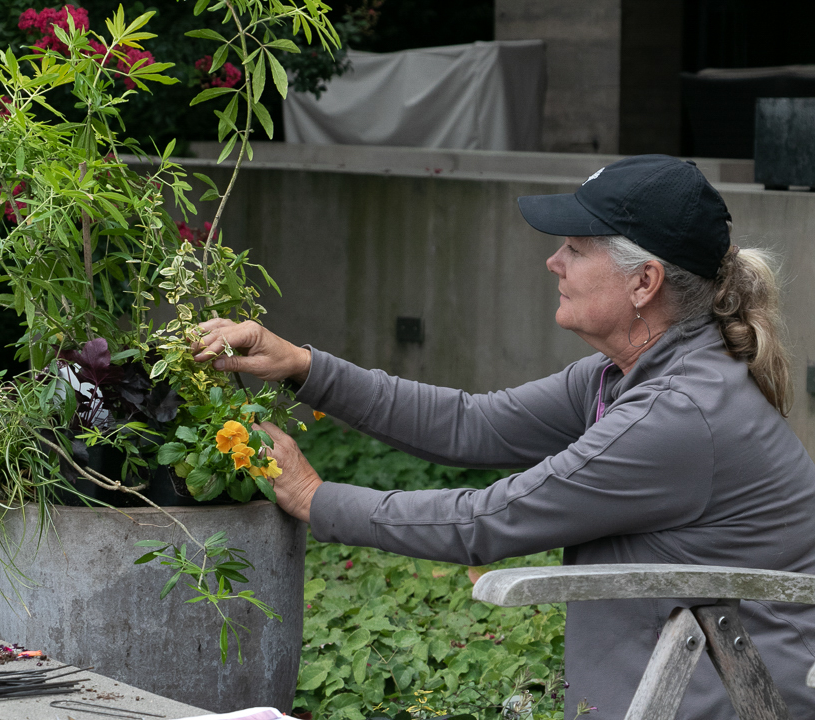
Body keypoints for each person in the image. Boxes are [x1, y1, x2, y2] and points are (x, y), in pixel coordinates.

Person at [191, 155, 815, 719]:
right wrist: (303, 366)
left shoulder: (679, 416)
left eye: (575, 246)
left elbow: (485, 519)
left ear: (643, 282)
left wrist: (313, 498)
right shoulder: (630, 374)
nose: (554, 262)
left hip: (731, 702)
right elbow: (473, 424)